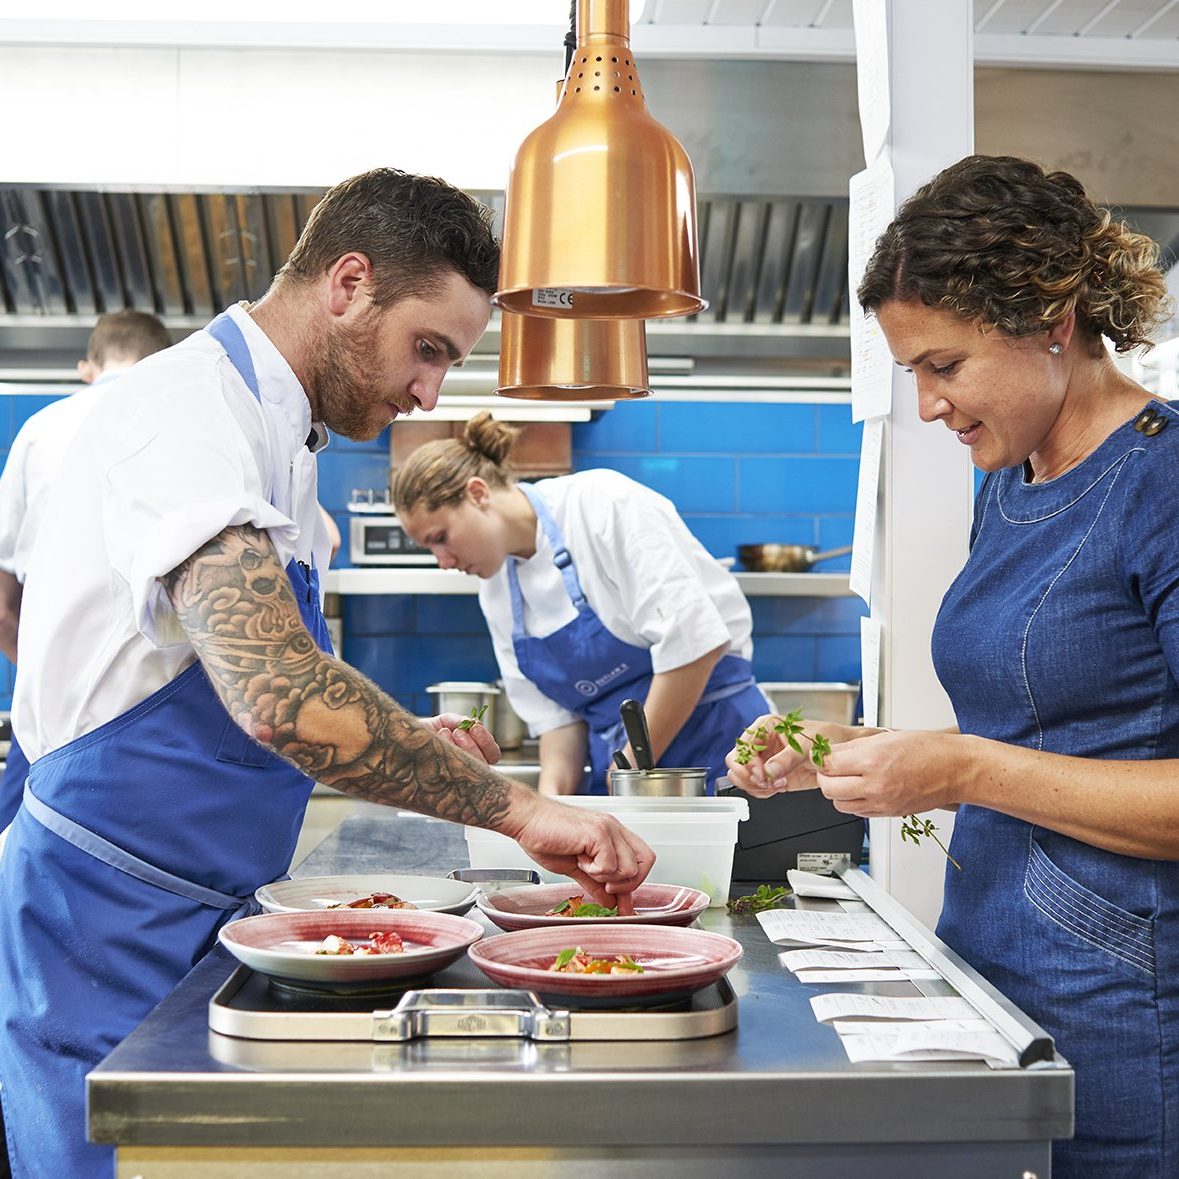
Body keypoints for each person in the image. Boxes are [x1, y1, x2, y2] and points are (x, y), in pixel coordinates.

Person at [0, 167, 653, 1179]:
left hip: (211, 915)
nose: (430, 393)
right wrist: (519, 811)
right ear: (348, 285)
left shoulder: (287, 447)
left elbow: (230, 694)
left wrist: (401, 744)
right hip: (103, 924)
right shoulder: (183, 411)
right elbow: (280, 697)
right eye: (428, 349)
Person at [724, 154, 1176, 1178]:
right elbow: (1038, 728)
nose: (928, 404)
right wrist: (853, 751)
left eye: (944, 365)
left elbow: (992, 760)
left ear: (1051, 322)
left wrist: (962, 768)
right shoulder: (1011, 481)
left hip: (1126, 1012)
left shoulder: (1163, 484)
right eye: (913, 374)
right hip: (988, 972)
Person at [393, 412, 772, 795]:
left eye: (440, 537)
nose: (443, 562)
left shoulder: (599, 504)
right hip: (624, 774)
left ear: (478, 494)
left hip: (723, 750)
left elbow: (693, 645)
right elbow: (559, 725)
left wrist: (628, 767)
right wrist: (546, 807)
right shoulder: (497, 592)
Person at [0, 310, 173, 834]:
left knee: (19, 853)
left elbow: (2, 605)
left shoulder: (39, 429)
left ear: (86, 367)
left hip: (47, 719)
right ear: (167, 363)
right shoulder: (181, 425)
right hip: (154, 719)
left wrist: (44, 668)